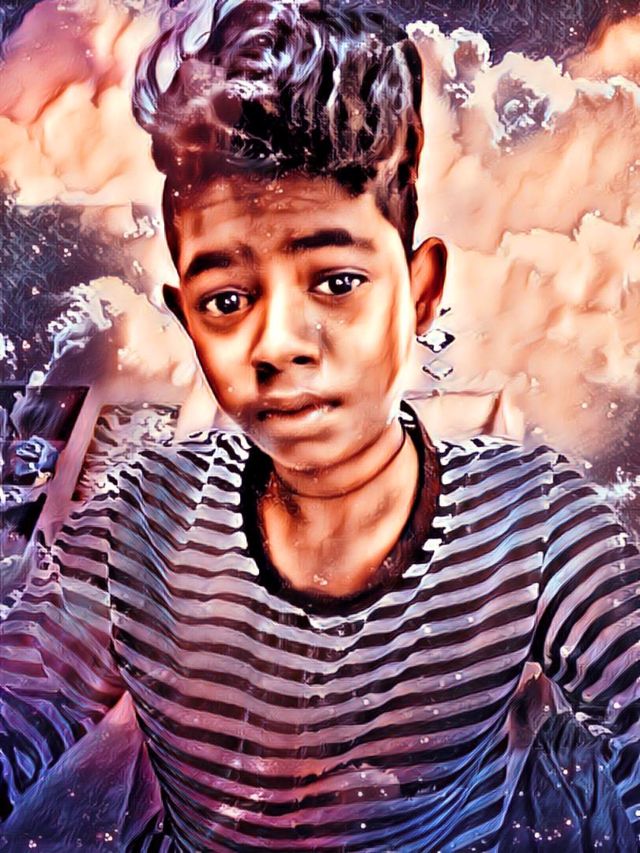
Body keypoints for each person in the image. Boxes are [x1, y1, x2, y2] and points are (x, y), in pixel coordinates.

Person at [2, 1, 640, 850]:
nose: (278, 343)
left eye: (336, 282)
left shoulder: (537, 525)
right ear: (186, 319)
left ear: (419, 290)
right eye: (228, 299)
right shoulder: (136, 526)